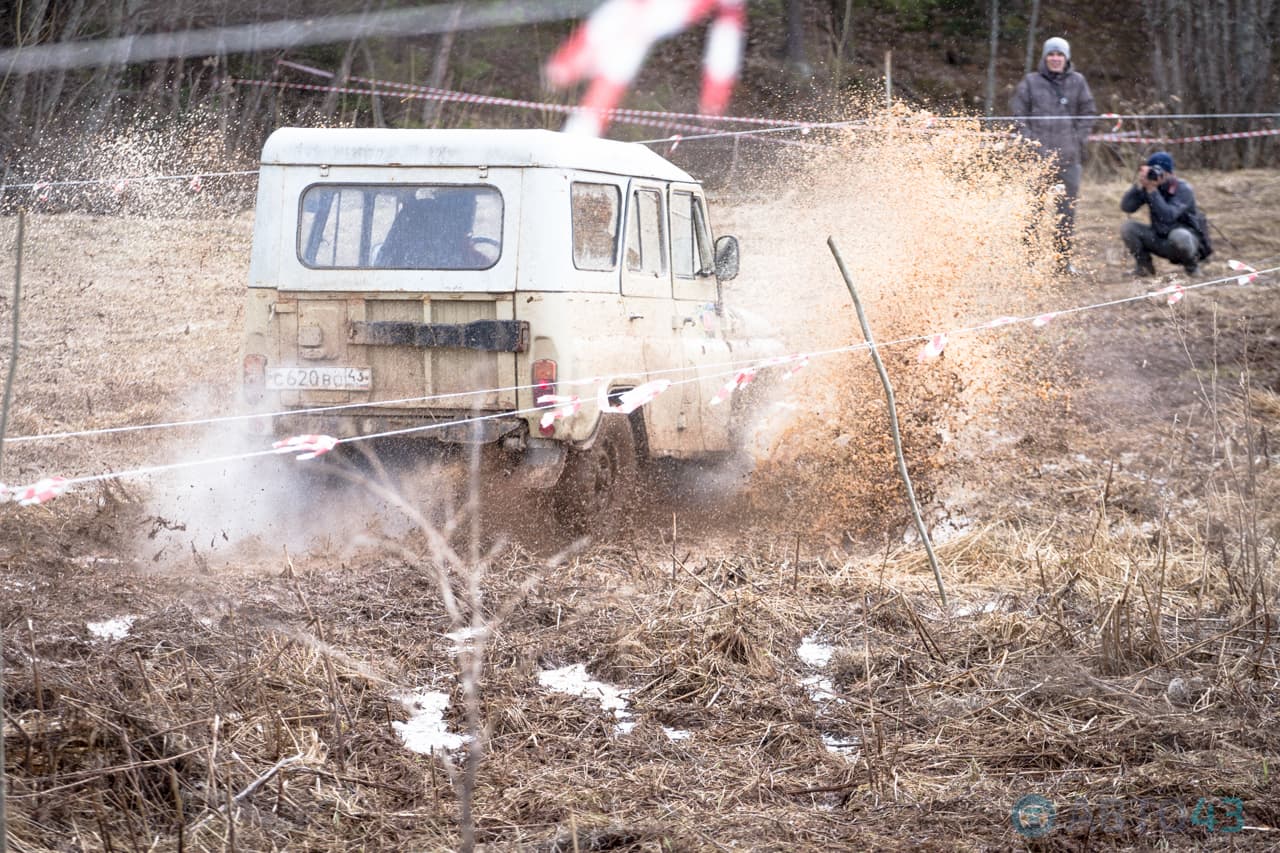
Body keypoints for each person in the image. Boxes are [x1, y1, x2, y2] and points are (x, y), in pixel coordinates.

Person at [1011, 36, 1097, 267]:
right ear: (1045, 57)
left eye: (1060, 54)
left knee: (1066, 214)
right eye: (1051, 54)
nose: (1055, 58)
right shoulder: (1030, 82)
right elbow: (1019, 117)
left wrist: (1077, 140)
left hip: (1069, 159)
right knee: (1033, 213)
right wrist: (1032, 144)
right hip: (1037, 161)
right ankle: (1029, 262)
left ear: (1066, 58)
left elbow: (1088, 112)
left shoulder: (1078, 81)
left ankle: (1063, 262)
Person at [1120, 151, 1209, 277]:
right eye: (1153, 171)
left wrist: (1152, 191)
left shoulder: (1183, 189)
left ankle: (1192, 268)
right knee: (1128, 228)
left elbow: (1168, 216)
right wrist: (1138, 186)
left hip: (1186, 241)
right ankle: (1144, 268)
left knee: (1179, 235)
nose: (1156, 176)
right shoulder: (1149, 185)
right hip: (1160, 238)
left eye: (1161, 172)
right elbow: (1127, 207)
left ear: (1170, 173)